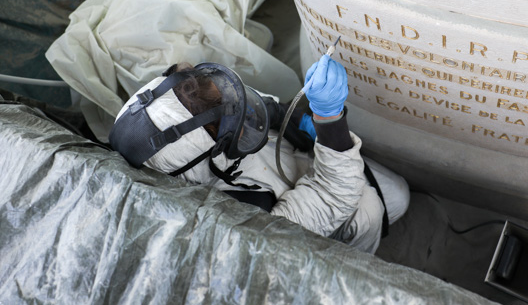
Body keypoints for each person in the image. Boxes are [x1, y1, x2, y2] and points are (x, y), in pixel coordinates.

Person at [108, 55, 409, 254]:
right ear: (214, 152)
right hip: (315, 203)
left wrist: (301, 122)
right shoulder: (239, 215)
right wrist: (329, 121)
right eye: (237, 123)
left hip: (297, 162)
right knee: (374, 207)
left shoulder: (199, 103)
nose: (246, 117)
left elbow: (264, 106)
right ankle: (353, 262)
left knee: (396, 191)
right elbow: (334, 195)